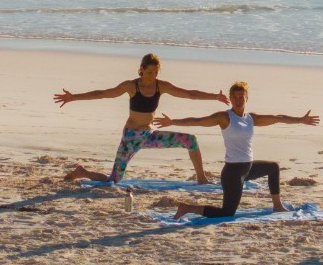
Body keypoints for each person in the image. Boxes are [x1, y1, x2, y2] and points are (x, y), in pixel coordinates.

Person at [56, 53, 226, 184]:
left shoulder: (161, 86)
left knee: (191, 140)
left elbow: (189, 94)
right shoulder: (131, 86)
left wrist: (215, 97)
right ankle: (82, 172)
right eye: (149, 72)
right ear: (142, 69)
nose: (152, 76)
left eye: (155, 72)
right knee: (113, 181)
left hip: (151, 135)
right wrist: (74, 97)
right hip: (132, 137)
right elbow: (103, 94)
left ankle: (201, 178)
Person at [162, 81, 320, 218]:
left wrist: (300, 120)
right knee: (227, 212)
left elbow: (277, 118)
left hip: (248, 168)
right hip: (233, 172)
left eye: (241, 96)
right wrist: (173, 121)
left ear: (247, 98)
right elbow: (198, 121)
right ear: (230, 99)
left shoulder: (251, 118)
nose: (238, 100)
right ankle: (187, 208)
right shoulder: (224, 117)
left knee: (273, 168)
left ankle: (277, 205)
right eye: (235, 97)